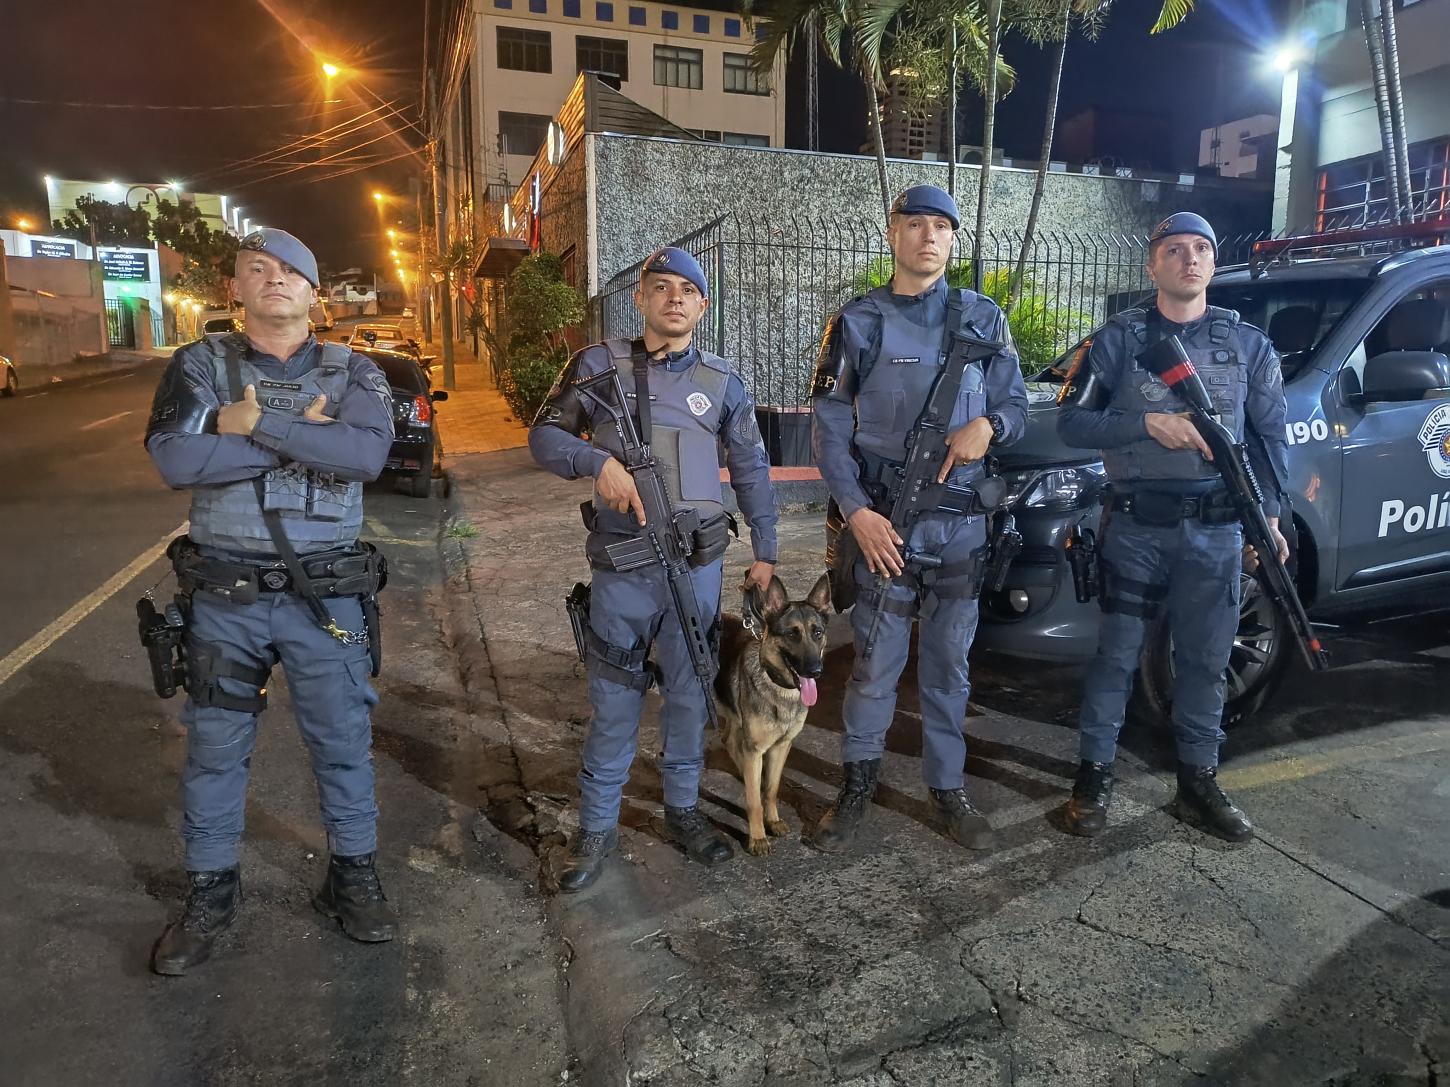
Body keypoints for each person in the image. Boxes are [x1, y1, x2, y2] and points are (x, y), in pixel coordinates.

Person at [143, 227, 398, 974]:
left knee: (344, 745)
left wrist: (252, 422)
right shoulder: (199, 364)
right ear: (236, 290)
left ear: (316, 295)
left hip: (327, 598)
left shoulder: (356, 369)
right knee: (215, 749)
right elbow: (175, 457)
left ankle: (353, 877)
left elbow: (366, 455)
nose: (275, 278)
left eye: (292, 270)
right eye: (258, 269)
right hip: (225, 596)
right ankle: (210, 891)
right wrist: (299, 436)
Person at [529, 246, 779, 892]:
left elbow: (751, 466)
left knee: (691, 693)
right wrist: (597, 465)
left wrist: (767, 550)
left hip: (695, 570)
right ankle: (597, 828)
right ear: (639, 299)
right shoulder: (598, 367)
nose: (673, 298)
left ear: (702, 305)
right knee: (614, 700)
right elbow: (545, 437)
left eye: (686, 290)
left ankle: (684, 811)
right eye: (659, 287)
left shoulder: (723, 382)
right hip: (623, 572)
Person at [1056, 211, 1290, 843]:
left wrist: (1269, 514)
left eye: (1201, 250)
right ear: (1152, 264)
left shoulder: (1247, 345)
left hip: (1215, 531)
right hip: (1135, 528)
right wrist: (1146, 425)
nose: (1189, 259)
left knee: (1207, 662)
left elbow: (1269, 438)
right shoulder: (1118, 341)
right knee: (1115, 658)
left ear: (1213, 264)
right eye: (1174, 249)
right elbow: (1073, 424)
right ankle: (1093, 777)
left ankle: (1198, 782)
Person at [810, 185, 1029, 854]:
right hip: (885, 528)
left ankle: (946, 788)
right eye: (914, 224)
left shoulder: (983, 319)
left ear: (954, 240)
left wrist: (988, 426)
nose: (927, 237)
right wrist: (858, 516)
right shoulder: (858, 321)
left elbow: (1017, 410)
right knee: (874, 664)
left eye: (940, 226)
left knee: (949, 668)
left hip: (960, 529)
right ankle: (858, 784)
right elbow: (827, 429)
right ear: (892, 233)